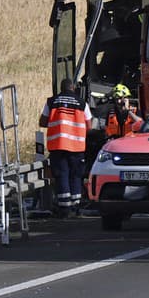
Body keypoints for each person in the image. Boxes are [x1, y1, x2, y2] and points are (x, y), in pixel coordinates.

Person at [39, 78, 92, 217]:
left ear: (61, 89)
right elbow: (89, 126)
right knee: (76, 175)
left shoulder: (51, 101)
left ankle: (64, 208)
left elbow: (43, 122)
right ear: (73, 88)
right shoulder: (82, 103)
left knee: (62, 174)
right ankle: (76, 206)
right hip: (77, 146)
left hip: (58, 145)